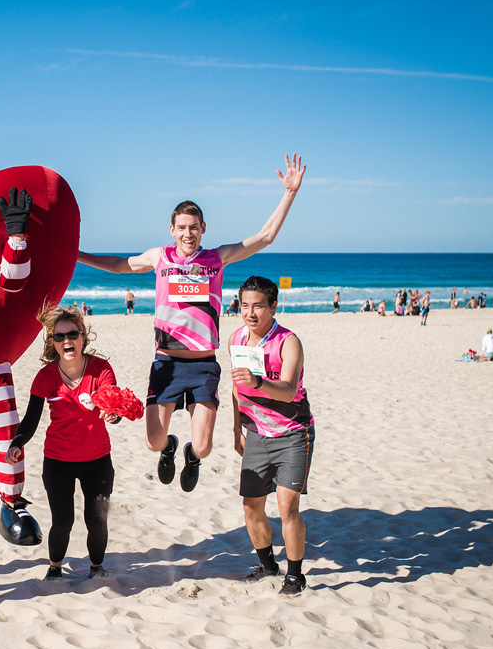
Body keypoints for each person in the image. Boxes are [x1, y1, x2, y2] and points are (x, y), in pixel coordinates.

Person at [77, 154, 306, 494]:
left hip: (203, 366)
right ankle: (170, 447)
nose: (188, 233)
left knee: (203, 447)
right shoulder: (160, 257)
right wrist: (75, 254)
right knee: (153, 442)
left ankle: (189, 455)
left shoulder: (217, 258)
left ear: (203, 230)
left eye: (194, 227)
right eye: (181, 227)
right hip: (166, 364)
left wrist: (289, 193)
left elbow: (265, 237)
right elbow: (117, 264)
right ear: (172, 230)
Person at [6, 306, 120, 581]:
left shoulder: (101, 369)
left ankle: (96, 568)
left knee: (96, 519)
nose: (66, 340)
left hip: (97, 460)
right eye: (60, 337)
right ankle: (55, 568)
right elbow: (32, 418)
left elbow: (113, 406)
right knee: (63, 521)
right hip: (58, 462)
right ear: (53, 343)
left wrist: (113, 414)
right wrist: (18, 441)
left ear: (83, 338)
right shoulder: (45, 377)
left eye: (72, 334)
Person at [228, 276, 315, 595]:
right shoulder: (235, 338)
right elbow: (235, 388)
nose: (250, 313)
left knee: (286, 506)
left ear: (273, 307)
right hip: (255, 434)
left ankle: (295, 575)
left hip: (293, 433)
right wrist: (236, 428)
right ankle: (267, 565)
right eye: (245, 306)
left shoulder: (289, 341)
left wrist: (258, 382)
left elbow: (290, 389)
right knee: (251, 506)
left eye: (258, 306)